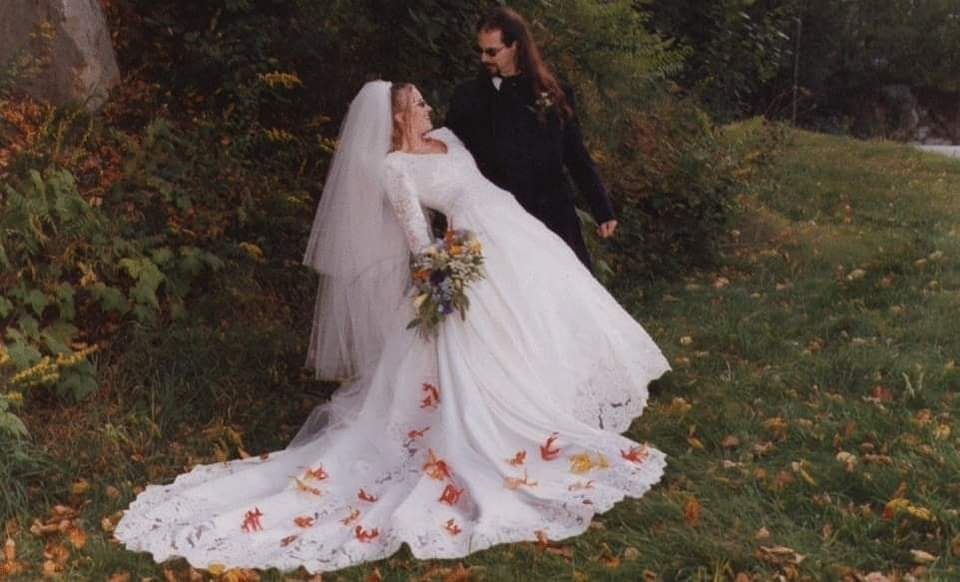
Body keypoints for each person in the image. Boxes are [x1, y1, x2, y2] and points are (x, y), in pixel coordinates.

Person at [113, 80, 669, 574]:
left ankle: (568, 394)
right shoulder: (395, 168)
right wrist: (445, 275)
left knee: (551, 310)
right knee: (482, 348)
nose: (428, 108)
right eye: (417, 104)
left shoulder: (450, 139)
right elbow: (415, 233)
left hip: (514, 232)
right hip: (470, 253)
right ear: (397, 119)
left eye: (425, 101)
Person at [446, 6, 616, 271]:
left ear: (515, 46)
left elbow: (576, 156)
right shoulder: (467, 97)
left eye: (492, 51)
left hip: (553, 215)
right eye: (479, 50)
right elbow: (451, 154)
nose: (483, 58)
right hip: (499, 219)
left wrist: (601, 208)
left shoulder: (554, 93)